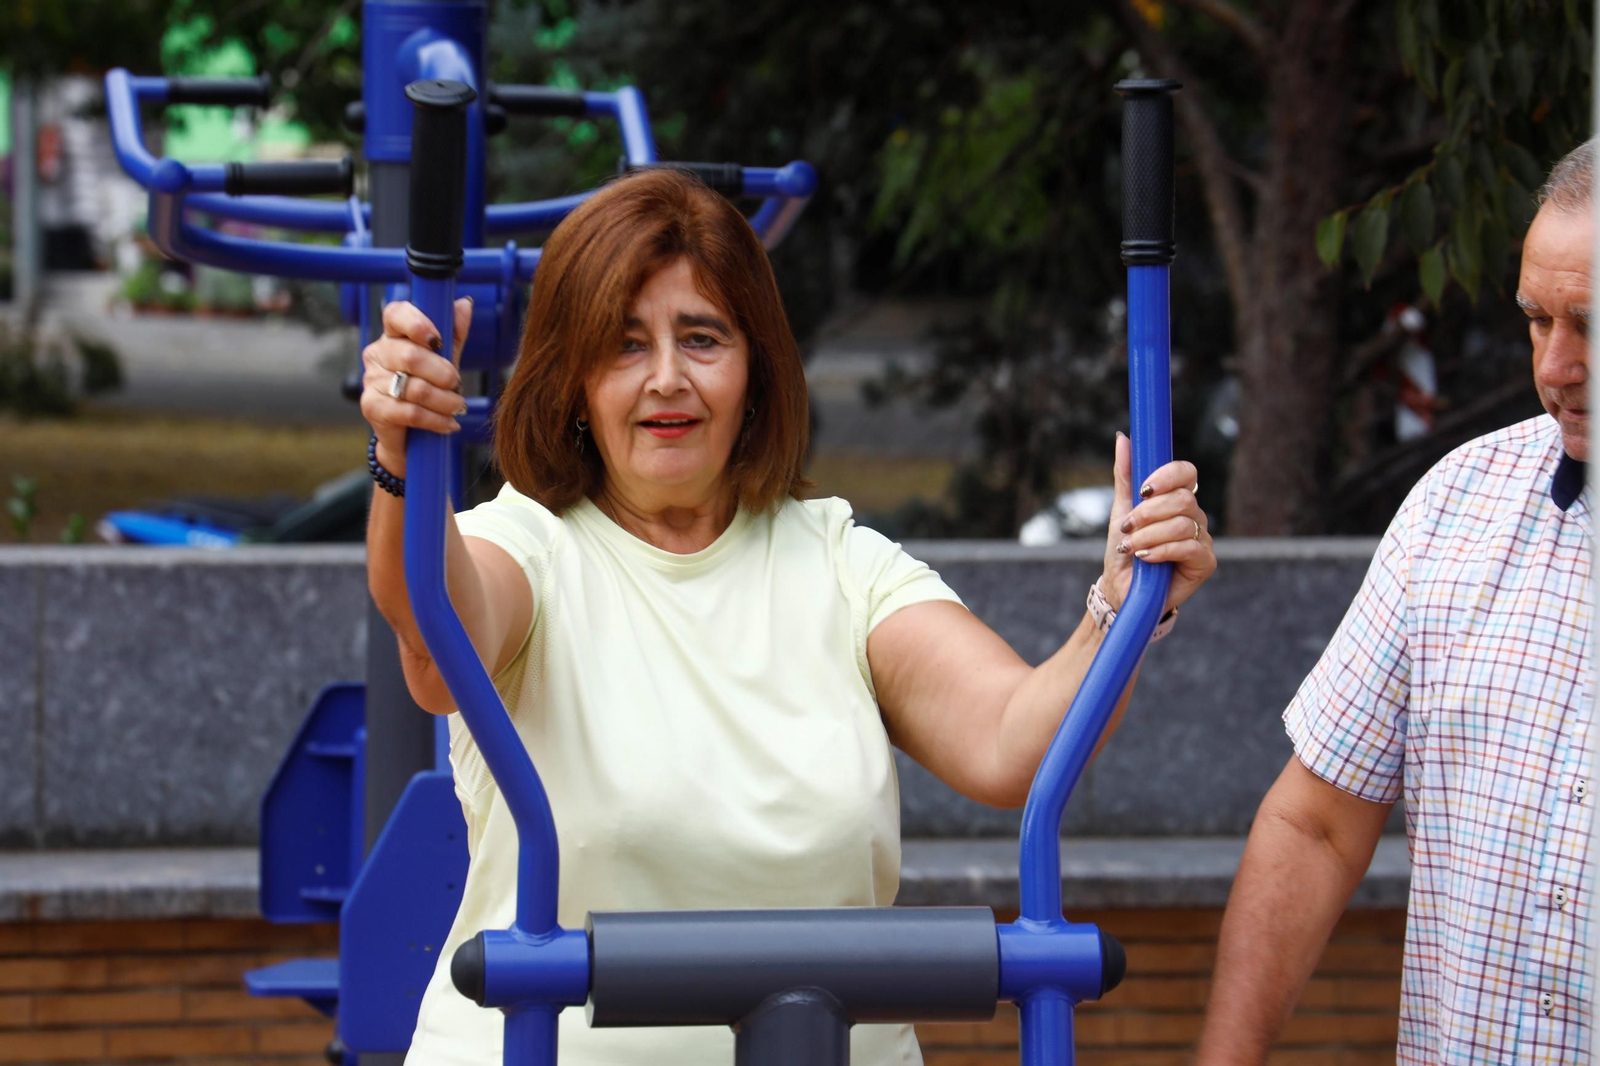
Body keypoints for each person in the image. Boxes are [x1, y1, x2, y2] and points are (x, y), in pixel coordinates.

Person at [361, 168, 1217, 1065]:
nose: (666, 379)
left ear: (756, 370)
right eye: (623, 346)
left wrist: (1124, 603)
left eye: (702, 339)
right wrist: (403, 457)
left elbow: (1017, 743)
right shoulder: (528, 547)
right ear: (573, 379)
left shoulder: (838, 561)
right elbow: (436, 633)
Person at [1195, 140, 1594, 1065]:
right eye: (1537, 321)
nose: (1556, 366)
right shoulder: (1457, 504)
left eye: (1590, 325)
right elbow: (1315, 825)